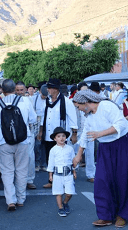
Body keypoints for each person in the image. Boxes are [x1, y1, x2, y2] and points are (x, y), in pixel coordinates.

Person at [72, 89, 128, 228]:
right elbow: (85, 134)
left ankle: (122, 215)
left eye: (78, 106)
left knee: (122, 180)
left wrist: (100, 133)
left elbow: (121, 124)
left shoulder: (106, 106)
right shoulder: (89, 116)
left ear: (85, 102)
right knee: (102, 181)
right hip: (104, 148)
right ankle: (106, 216)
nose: (79, 110)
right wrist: (79, 155)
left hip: (120, 144)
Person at [0, 79, 37, 211]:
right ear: (14, 89)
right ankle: (21, 199)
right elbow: (33, 119)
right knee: (22, 170)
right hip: (23, 140)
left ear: (3, 90)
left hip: (3, 141)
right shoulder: (25, 101)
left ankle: (10, 200)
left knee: (7, 171)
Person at [38, 78, 78, 188]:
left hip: (61, 136)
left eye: (50, 88)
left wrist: (74, 133)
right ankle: (52, 181)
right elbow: (43, 117)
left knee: (63, 159)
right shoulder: (48, 101)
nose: (48, 90)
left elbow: (73, 118)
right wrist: (41, 131)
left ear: (55, 89)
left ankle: (65, 181)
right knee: (50, 159)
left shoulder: (66, 102)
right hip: (48, 135)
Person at [47, 127, 77, 217]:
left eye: (63, 136)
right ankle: (60, 208)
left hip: (68, 173)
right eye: (59, 136)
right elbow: (51, 163)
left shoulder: (70, 149)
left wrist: (74, 172)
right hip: (57, 174)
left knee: (69, 192)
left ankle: (65, 202)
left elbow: (73, 161)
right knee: (58, 192)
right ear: (55, 138)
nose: (61, 138)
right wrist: (50, 175)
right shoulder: (53, 150)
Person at [15, 81, 37, 189]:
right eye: (17, 90)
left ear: (25, 90)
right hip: (13, 134)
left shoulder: (28, 101)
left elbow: (33, 118)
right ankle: (19, 180)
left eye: (21, 90)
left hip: (27, 133)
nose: (19, 92)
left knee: (29, 157)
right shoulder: (9, 100)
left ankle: (29, 179)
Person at [34, 84, 48, 172]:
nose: (44, 97)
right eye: (43, 95)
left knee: (44, 145)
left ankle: (44, 164)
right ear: (39, 92)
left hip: (47, 126)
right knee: (37, 145)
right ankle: (37, 164)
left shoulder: (50, 100)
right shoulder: (34, 100)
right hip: (37, 126)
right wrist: (39, 131)